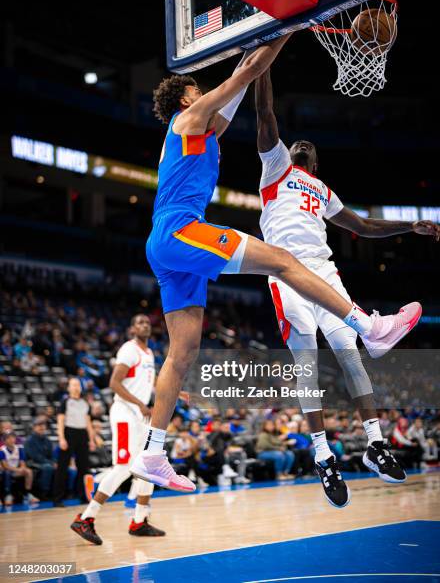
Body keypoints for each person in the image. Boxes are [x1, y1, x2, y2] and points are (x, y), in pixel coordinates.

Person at [129, 35, 423, 493]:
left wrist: (258, 44)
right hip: (180, 229)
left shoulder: (203, 131)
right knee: (282, 261)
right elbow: (242, 78)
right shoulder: (187, 118)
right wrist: (286, 25)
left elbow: (241, 85)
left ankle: (152, 451)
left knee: (182, 352)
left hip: (166, 244)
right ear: (186, 97)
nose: (204, 94)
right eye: (197, 90)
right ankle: (370, 328)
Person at [253, 67, 439, 507]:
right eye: (298, 143)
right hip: (285, 271)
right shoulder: (275, 167)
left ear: (315, 164)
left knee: (350, 354)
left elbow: (364, 225)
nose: (302, 144)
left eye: (308, 148)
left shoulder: (322, 189)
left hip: (323, 270)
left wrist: (408, 226)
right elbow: (264, 112)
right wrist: (261, 63)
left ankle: (375, 445)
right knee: (307, 363)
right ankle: (323, 455)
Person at [71, 314, 165, 545]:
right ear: (133, 328)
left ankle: (139, 521)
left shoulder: (149, 353)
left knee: (149, 465)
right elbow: (114, 382)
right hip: (125, 413)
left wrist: (175, 392)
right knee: (123, 467)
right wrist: (140, 404)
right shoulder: (128, 350)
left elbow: (150, 382)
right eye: (140, 323)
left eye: (147, 323)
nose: (144, 325)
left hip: (139, 416)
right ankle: (86, 519)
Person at [53, 377, 95, 506]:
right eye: (73, 385)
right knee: (62, 467)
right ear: (69, 388)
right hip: (68, 433)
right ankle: (58, 499)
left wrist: (91, 439)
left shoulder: (85, 403)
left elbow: (88, 423)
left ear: (80, 387)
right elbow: (60, 421)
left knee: (84, 468)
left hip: (82, 435)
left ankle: (83, 496)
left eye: (78, 385)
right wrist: (61, 438)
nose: (76, 387)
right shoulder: (65, 402)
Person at [0, 431, 39, 505]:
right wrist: (18, 469)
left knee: (29, 471)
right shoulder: (2, 450)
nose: (11, 439)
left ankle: (27, 494)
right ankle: (8, 495)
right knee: (7, 473)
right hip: (6, 471)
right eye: (8, 438)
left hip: (15, 470)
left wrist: (22, 468)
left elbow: (22, 462)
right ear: (4, 440)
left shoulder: (19, 448)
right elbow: (5, 466)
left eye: (13, 437)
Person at [24, 417, 56, 500]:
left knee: (59, 468)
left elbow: (51, 455)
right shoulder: (29, 441)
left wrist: (54, 462)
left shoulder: (47, 440)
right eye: (39, 425)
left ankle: (57, 492)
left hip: (46, 462)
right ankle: (43, 493)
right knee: (48, 467)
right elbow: (34, 456)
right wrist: (50, 463)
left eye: (43, 425)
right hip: (33, 463)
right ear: (34, 427)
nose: (42, 427)